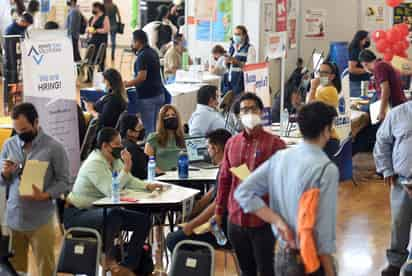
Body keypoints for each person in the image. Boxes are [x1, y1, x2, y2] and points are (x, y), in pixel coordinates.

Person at [235, 101, 339, 276]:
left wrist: (277, 221)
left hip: (284, 254)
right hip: (311, 260)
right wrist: (330, 271)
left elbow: (243, 192)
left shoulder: (281, 157)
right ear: (326, 131)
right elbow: (323, 232)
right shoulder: (325, 169)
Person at [65, 127, 162, 276]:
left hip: (100, 210)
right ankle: (108, 260)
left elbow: (128, 180)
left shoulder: (114, 159)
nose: (120, 147)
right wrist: (127, 168)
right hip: (78, 213)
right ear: (105, 146)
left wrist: (147, 186)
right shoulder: (94, 163)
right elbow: (111, 191)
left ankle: (128, 265)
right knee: (113, 215)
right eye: (116, 144)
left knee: (143, 221)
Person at [215, 93, 286, 276]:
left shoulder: (275, 145)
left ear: (261, 112)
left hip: (263, 221)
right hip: (236, 220)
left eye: (253, 108)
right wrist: (218, 211)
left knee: (266, 270)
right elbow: (224, 180)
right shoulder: (231, 144)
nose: (249, 113)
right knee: (246, 270)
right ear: (238, 116)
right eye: (244, 110)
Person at [0, 103, 70, 275]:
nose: (20, 134)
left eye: (24, 129)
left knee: (45, 269)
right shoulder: (9, 145)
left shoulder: (54, 147)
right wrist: (5, 174)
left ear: (36, 122)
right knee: (14, 271)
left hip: (42, 219)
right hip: (14, 218)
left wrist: (46, 195)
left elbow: (65, 181)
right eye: (16, 130)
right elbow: (2, 181)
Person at [166, 129, 232, 252]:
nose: (207, 152)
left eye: (208, 147)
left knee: (172, 240)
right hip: (226, 226)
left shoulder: (226, 171)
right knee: (181, 231)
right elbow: (211, 194)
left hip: (221, 231)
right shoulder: (229, 167)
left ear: (215, 148)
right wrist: (192, 212)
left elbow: (217, 203)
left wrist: (191, 225)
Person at [374, 101, 412, 276]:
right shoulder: (397, 114)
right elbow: (382, 142)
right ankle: (395, 263)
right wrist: (387, 169)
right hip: (401, 182)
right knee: (399, 223)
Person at [125, 30, 165, 134]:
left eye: (132, 42)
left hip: (148, 97)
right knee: (156, 127)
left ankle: (149, 150)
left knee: (149, 129)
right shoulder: (153, 52)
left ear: (138, 42)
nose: (132, 45)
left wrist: (126, 84)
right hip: (159, 94)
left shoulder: (142, 56)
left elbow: (141, 77)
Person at [359, 49, 406, 122]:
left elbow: (385, 90)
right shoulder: (383, 64)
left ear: (364, 64)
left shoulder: (379, 67)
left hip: (394, 108)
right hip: (397, 106)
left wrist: (381, 112)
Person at [308, 61, 341, 161]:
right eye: (319, 72)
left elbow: (310, 108)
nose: (321, 75)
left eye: (324, 73)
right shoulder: (322, 88)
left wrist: (313, 87)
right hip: (322, 136)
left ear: (332, 76)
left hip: (327, 139)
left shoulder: (330, 90)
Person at [144, 104, 185, 172]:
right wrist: (163, 174)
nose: (171, 117)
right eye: (167, 116)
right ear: (162, 120)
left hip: (184, 177)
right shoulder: (153, 137)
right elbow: (147, 162)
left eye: (173, 115)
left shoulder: (186, 138)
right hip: (162, 177)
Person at [222, 25, 257, 96]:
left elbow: (250, 68)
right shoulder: (232, 47)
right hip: (229, 81)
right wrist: (225, 62)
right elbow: (225, 65)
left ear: (244, 35)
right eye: (235, 34)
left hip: (241, 82)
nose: (236, 36)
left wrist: (236, 62)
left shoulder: (250, 48)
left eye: (238, 34)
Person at [118, 114, 148, 180]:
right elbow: (142, 174)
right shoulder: (133, 149)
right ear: (130, 132)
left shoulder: (121, 144)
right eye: (139, 127)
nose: (143, 130)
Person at [88, 2, 110, 71]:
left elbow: (106, 29)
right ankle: (89, 77)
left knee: (101, 59)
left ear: (98, 8)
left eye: (94, 8)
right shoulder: (92, 18)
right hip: (92, 41)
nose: (93, 9)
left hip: (101, 42)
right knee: (90, 59)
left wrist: (96, 30)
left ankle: (100, 76)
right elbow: (89, 27)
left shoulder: (105, 17)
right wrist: (88, 30)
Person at [348, 30, 371, 97]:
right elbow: (352, 69)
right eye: (367, 38)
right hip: (356, 83)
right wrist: (367, 70)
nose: (368, 40)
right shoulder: (355, 50)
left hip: (362, 83)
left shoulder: (362, 49)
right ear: (361, 39)